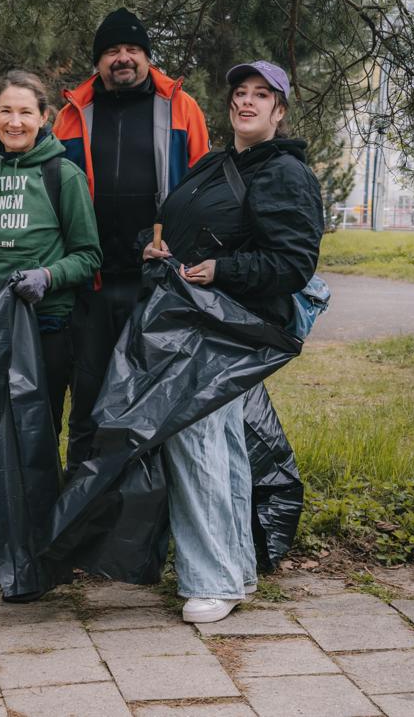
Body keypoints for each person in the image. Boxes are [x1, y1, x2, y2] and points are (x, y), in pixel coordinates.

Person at [142, 60, 322, 624]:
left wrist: (221, 270)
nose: (246, 103)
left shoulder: (286, 174)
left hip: (234, 326)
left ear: (280, 110)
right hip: (199, 318)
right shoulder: (218, 163)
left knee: (194, 440)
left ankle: (211, 579)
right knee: (219, 444)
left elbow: (292, 263)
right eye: (239, 93)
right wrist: (158, 251)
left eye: (260, 96)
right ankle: (234, 569)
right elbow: (182, 225)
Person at [0, 70, 101, 600]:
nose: (15, 121)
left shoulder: (62, 176)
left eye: (25, 112)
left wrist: (49, 277)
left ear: (44, 117)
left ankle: (33, 559)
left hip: (44, 332)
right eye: (6, 111)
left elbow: (89, 255)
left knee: (35, 444)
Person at [54, 8, 210, 475]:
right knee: (87, 400)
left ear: (146, 56)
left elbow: (204, 192)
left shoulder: (181, 108)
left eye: (132, 50)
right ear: (98, 61)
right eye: (111, 51)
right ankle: (79, 511)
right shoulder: (71, 115)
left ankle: (143, 519)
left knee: (152, 402)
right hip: (91, 283)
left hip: (157, 283)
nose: (122, 58)